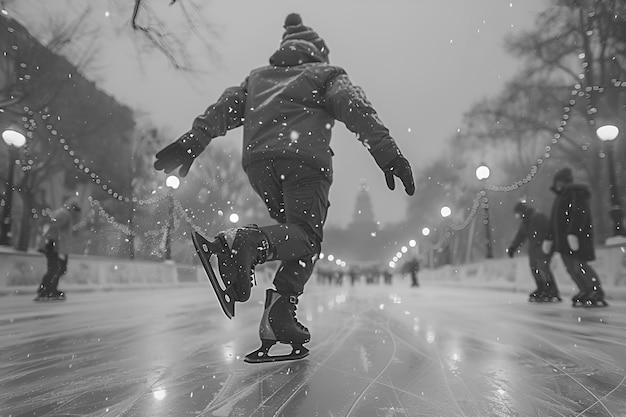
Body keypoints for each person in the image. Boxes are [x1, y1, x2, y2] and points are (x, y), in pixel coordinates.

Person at [154, 13, 415, 362]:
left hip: (260, 163)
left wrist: (193, 141)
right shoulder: (326, 74)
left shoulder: (258, 79)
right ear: (318, 52)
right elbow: (355, 108)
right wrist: (389, 154)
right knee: (306, 237)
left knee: (294, 238)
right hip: (305, 163)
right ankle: (246, 246)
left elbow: (224, 109)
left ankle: (278, 316)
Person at [542, 168, 608, 307]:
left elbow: (579, 213)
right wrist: (549, 237)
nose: (558, 184)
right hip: (564, 242)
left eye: (560, 181)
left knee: (580, 266)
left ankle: (595, 290)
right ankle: (585, 289)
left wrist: (573, 233)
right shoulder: (560, 198)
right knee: (571, 269)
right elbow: (554, 221)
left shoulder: (575, 193)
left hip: (576, 239)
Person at [506, 201, 560, 302]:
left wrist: (550, 240)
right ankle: (542, 287)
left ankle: (551, 289)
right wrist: (513, 247)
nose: (518, 217)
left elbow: (550, 228)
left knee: (543, 267)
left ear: (523, 211)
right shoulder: (525, 222)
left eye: (518, 214)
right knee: (534, 268)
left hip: (544, 246)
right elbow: (520, 236)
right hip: (534, 249)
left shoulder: (537, 217)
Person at [35, 198, 82, 301]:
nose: (76, 213)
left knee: (57, 268)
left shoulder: (64, 214)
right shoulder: (64, 214)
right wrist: (53, 244)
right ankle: (46, 289)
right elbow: (53, 228)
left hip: (56, 245)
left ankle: (49, 288)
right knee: (56, 268)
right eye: (76, 210)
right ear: (72, 208)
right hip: (55, 245)